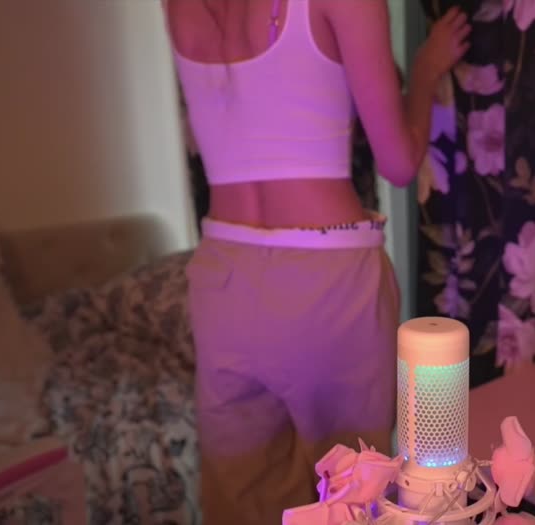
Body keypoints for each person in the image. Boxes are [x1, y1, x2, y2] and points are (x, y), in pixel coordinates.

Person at [164, 1, 470, 523]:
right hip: (326, 281)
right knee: (350, 495)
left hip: (222, 278)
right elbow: (398, 163)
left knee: (240, 499)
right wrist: (423, 74)